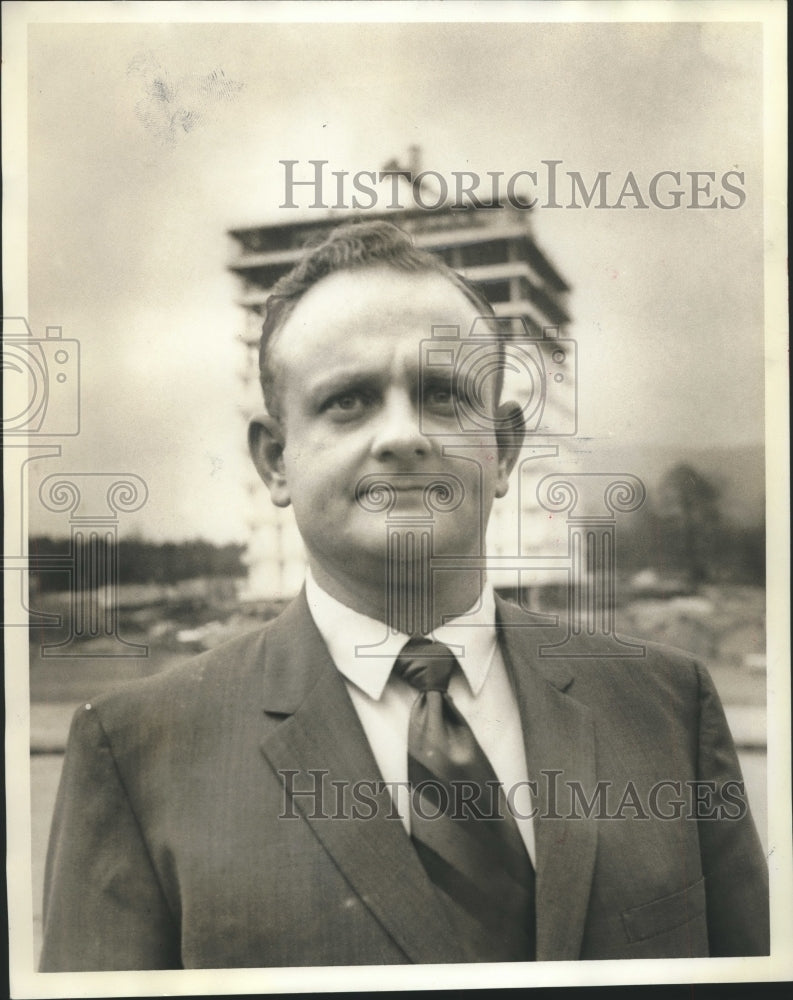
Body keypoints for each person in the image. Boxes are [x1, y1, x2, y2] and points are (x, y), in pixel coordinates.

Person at [39, 221, 769, 970]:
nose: (402, 436)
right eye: (349, 400)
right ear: (275, 460)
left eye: (442, 395)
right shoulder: (134, 754)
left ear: (505, 450)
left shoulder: (668, 708)